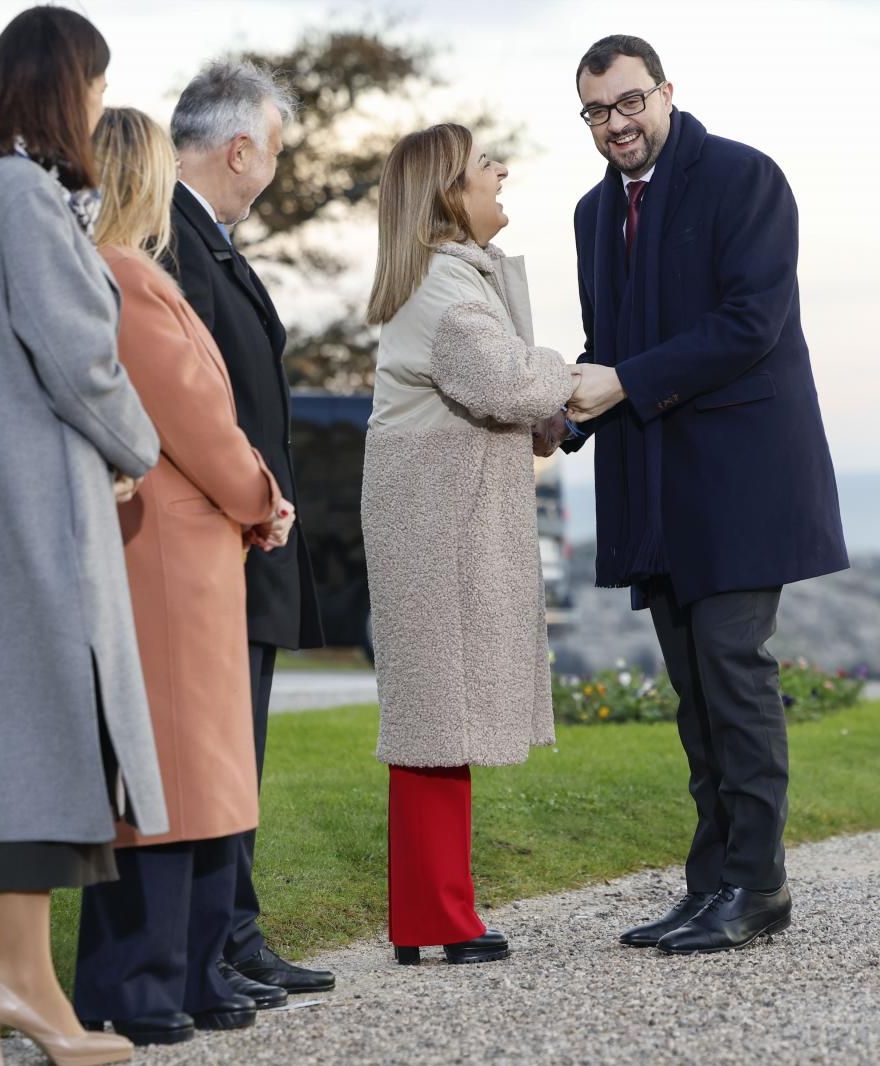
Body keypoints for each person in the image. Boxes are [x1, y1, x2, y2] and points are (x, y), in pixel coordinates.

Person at [560, 35, 850, 955]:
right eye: (598, 112)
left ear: (666, 93)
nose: (617, 124)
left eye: (629, 102)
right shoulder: (588, 215)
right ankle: (710, 884)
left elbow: (749, 325)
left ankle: (758, 887)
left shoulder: (746, 179)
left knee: (735, 676)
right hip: (653, 489)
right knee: (694, 693)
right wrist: (559, 412)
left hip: (739, 482)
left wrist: (621, 384)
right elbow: (606, 348)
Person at [0, 8, 164, 1065]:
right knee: (46, 733)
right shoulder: (21, 197)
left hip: (4, 498)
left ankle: (27, 984)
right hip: (43, 506)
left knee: (33, 732)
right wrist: (141, 446)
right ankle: (21, 982)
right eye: (94, 81)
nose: (99, 103)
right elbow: (81, 359)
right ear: (60, 83)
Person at [73, 107, 295, 1046]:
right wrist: (262, 496)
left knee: (198, 775)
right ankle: (141, 983)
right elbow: (197, 415)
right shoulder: (128, 278)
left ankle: (188, 971)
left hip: (189, 549)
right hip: (171, 549)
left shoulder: (128, 276)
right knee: (172, 776)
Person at [362, 123, 586, 966]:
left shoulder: (454, 280)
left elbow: (517, 404)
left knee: (438, 716)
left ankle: (431, 914)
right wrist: (575, 375)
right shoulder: (445, 291)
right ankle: (438, 916)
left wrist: (548, 406)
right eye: (483, 164)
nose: (500, 172)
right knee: (434, 719)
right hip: (436, 524)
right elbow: (506, 381)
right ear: (449, 194)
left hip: (441, 516)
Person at [165, 60, 333, 997]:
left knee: (243, 747)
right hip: (222, 538)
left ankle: (236, 932)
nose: (272, 165)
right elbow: (192, 406)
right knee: (220, 749)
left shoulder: (207, 239)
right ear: (240, 149)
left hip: (249, 539)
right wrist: (252, 503)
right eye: (271, 148)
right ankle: (215, 942)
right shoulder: (174, 244)